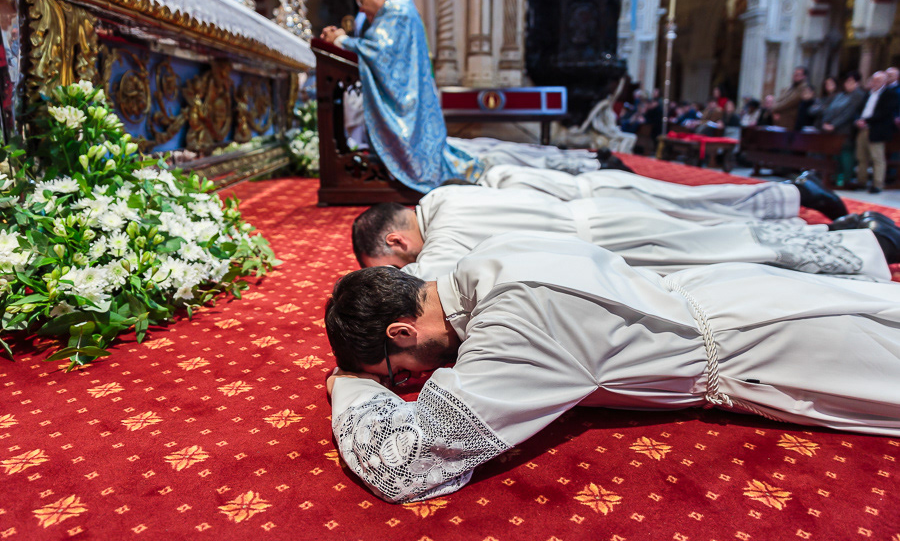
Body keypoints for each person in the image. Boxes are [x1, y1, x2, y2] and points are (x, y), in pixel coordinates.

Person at [325, 232, 900, 504]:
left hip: (776, 348)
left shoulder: (512, 326)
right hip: (742, 295)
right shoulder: (484, 259)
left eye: (399, 372)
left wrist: (352, 389)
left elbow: (407, 468)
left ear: (402, 331)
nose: (411, 383)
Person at [350, 186, 894, 281]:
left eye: (395, 264)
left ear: (397, 241)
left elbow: (427, 276)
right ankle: (851, 233)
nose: (405, 271)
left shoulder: (443, 234)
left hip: (606, 240)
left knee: (727, 250)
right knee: (716, 228)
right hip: (600, 217)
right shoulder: (443, 197)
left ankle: (864, 248)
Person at [321, 0, 481, 192]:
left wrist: (341, 40)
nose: (361, 9)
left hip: (409, 103)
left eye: (361, 1)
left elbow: (379, 52)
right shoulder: (398, 9)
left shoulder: (396, 10)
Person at [477, 163, 849, 222]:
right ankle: (791, 194)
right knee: (695, 206)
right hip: (599, 193)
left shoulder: (496, 185)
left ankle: (794, 193)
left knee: (696, 207)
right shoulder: (492, 183)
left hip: (602, 197)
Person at [855, 70, 899, 194]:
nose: (875, 83)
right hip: (863, 128)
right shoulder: (868, 94)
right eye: (873, 80)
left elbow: (885, 112)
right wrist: (858, 120)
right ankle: (861, 181)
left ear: (885, 82)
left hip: (877, 130)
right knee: (861, 157)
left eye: (878, 80)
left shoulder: (890, 94)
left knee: (877, 158)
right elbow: (859, 109)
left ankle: (877, 184)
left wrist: (866, 120)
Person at [820, 72, 867, 188]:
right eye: (847, 81)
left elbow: (849, 113)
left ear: (857, 83)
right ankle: (835, 178)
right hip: (832, 130)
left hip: (846, 130)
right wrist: (825, 123)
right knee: (835, 155)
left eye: (851, 81)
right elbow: (829, 110)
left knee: (846, 156)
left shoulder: (859, 95)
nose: (848, 84)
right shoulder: (840, 95)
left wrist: (834, 125)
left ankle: (846, 180)